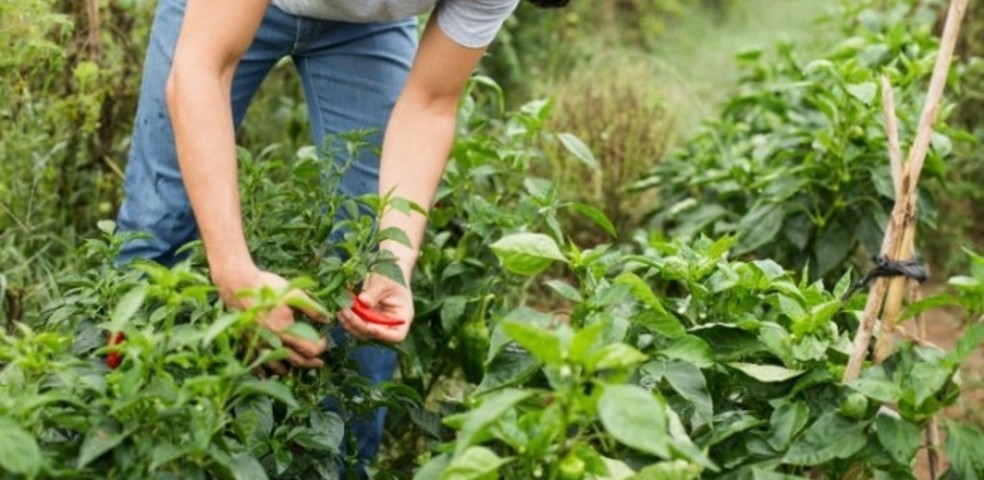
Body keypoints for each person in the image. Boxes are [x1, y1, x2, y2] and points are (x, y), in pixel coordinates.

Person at [114, 0, 569, 472]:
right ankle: (112, 442)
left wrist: (394, 258)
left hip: (366, 29)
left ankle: (341, 466)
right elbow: (201, 69)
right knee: (157, 230)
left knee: (370, 278)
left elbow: (430, 105)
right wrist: (233, 270)